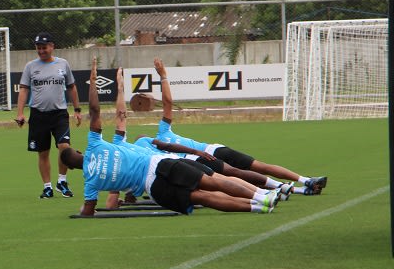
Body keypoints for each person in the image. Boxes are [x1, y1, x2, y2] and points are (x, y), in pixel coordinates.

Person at [60, 57, 281, 217]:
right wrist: (95, 79)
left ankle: (258, 206)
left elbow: (89, 211)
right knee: (211, 182)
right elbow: (105, 113)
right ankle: (262, 198)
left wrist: (85, 209)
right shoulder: (98, 144)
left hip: (151, 186)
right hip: (159, 164)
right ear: (79, 151)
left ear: (71, 169)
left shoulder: (90, 182)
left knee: (202, 196)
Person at [136, 58, 327, 195]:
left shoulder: (162, 133)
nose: (141, 137)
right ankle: (299, 189)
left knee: (258, 167)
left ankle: (305, 181)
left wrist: (163, 77)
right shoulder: (156, 156)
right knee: (241, 178)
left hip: (212, 150)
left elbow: (168, 103)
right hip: (200, 162)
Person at [15, 31, 82, 199]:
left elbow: (72, 87)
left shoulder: (63, 64)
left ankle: (62, 181)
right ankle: (47, 187)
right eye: (38, 48)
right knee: (43, 153)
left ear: (52, 47)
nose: (41, 51)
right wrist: (20, 113)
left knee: (64, 148)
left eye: (44, 47)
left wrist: (77, 110)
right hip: (38, 115)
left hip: (59, 114)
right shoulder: (30, 66)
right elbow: (24, 89)